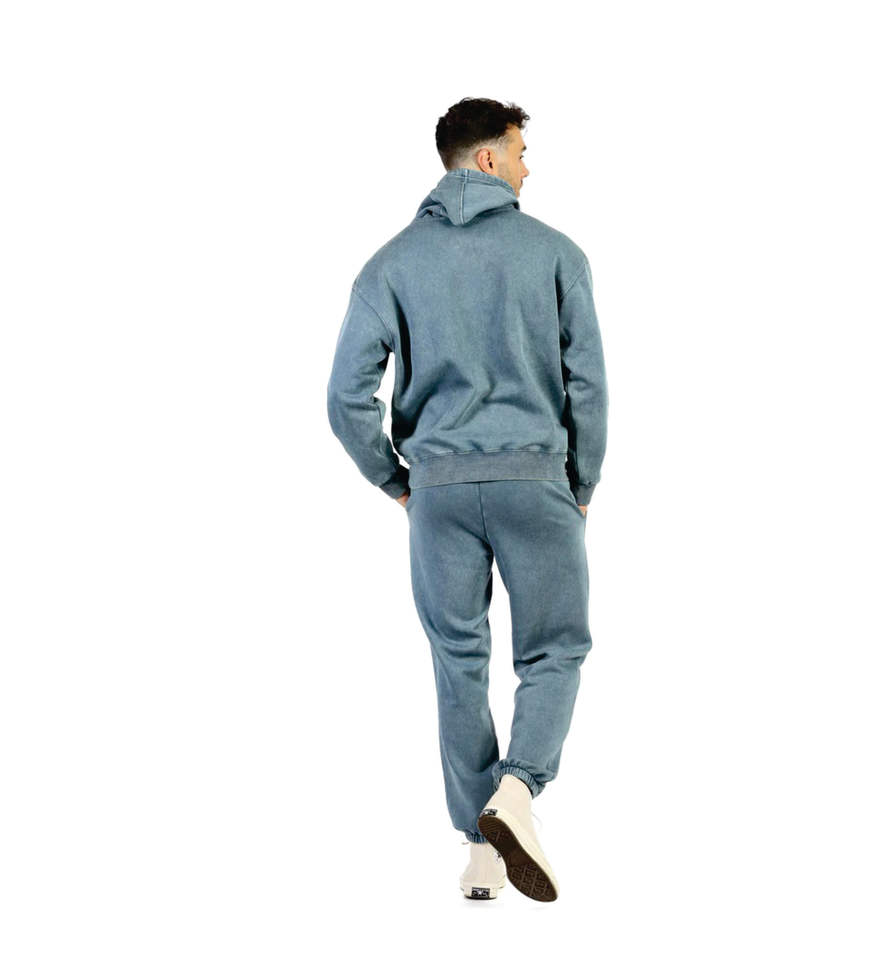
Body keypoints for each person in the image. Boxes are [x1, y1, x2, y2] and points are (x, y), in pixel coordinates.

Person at [326, 97, 608, 902]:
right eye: (519, 152)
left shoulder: (388, 264)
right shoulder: (556, 253)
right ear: (487, 159)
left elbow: (345, 397)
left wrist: (398, 481)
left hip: (439, 494)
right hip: (535, 482)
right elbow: (588, 385)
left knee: (458, 661)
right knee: (553, 650)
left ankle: (479, 850)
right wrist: (582, 482)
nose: (528, 167)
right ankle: (516, 791)